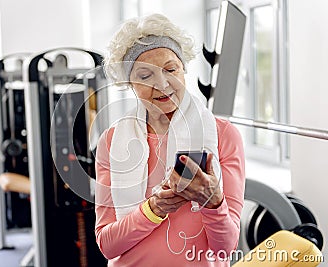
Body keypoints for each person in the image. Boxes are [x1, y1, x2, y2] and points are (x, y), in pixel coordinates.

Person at [94, 13, 245, 266]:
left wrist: (213, 200)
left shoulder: (224, 135)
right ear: (130, 83)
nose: (162, 84)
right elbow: (108, 245)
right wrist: (153, 209)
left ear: (183, 68)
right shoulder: (111, 141)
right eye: (145, 76)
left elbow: (225, 248)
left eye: (170, 69)